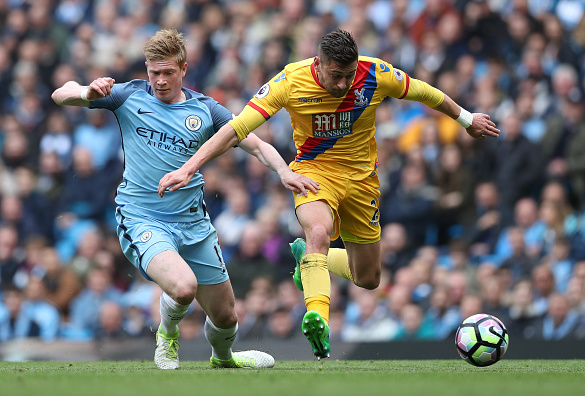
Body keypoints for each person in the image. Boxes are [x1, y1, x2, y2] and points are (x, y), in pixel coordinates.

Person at [157, 29, 500, 359]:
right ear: (318, 63)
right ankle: (317, 316)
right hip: (314, 174)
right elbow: (237, 128)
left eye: (348, 75)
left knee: (368, 278)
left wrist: (466, 118)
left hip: (363, 181)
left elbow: (424, 92)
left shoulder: (375, 73)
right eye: (335, 75)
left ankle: (307, 258)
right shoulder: (291, 81)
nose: (342, 84)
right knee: (318, 231)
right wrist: (189, 168)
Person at [52, 29, 317, 369]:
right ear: (146, 69)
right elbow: (62, 94)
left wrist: (284, 172)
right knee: (183, 287)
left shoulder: (206, 110)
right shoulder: (128, 95)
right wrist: (87, 91)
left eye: (168, 73)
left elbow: (256, 144)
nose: (160, 81)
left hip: (193, 224)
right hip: (142, 217)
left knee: (226, 317)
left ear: (184, 69)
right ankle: (166, 336)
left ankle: (224, 359)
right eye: (154, 73)